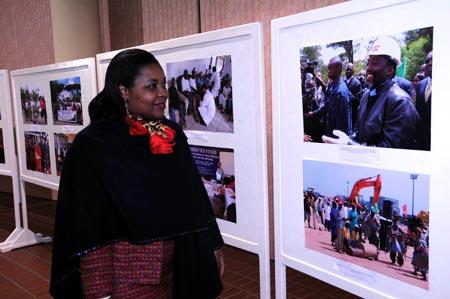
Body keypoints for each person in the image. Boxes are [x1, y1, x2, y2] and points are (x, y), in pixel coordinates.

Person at [50, 49, 224, 299]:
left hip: (178, 269)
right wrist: (100, 294)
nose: (163, 93)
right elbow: (90, 226)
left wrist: (212, 244)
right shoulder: (93, 146)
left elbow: (194, 196)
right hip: (127, 279)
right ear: (124, 91)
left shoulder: (170, 135)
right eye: (151, 86)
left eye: (163, 84)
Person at [323, 36, 419, 149]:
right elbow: (358, 132)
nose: (368, 68)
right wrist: (348, 140)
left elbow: (389, 153)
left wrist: (350, 145)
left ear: (390, 70)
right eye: (368, 62)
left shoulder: (400, 103)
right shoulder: (366, 95)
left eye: (375, 63)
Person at [309, 57, 352, 138]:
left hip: (336, 138)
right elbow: (327, 107)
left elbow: (342, 126)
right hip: (330, 131)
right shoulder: (332, 85)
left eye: (330, 69)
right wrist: (314, 113)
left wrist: (333, 142)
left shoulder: (341, 93)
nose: (328, 71)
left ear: (338, 70)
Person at [415, 51, 432, 151]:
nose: (430, 63)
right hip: (422, 140)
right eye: (428, 61)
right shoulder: (421, 84)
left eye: (433, 61)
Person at [344, 63, 363, 130]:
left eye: (350, 70)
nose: (348, 71)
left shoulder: (357, 83)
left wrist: (348, 94)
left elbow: (359, 100)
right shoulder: (343, 82)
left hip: (352, 113)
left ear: (353, 72)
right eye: (347, 69)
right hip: (343, 112)